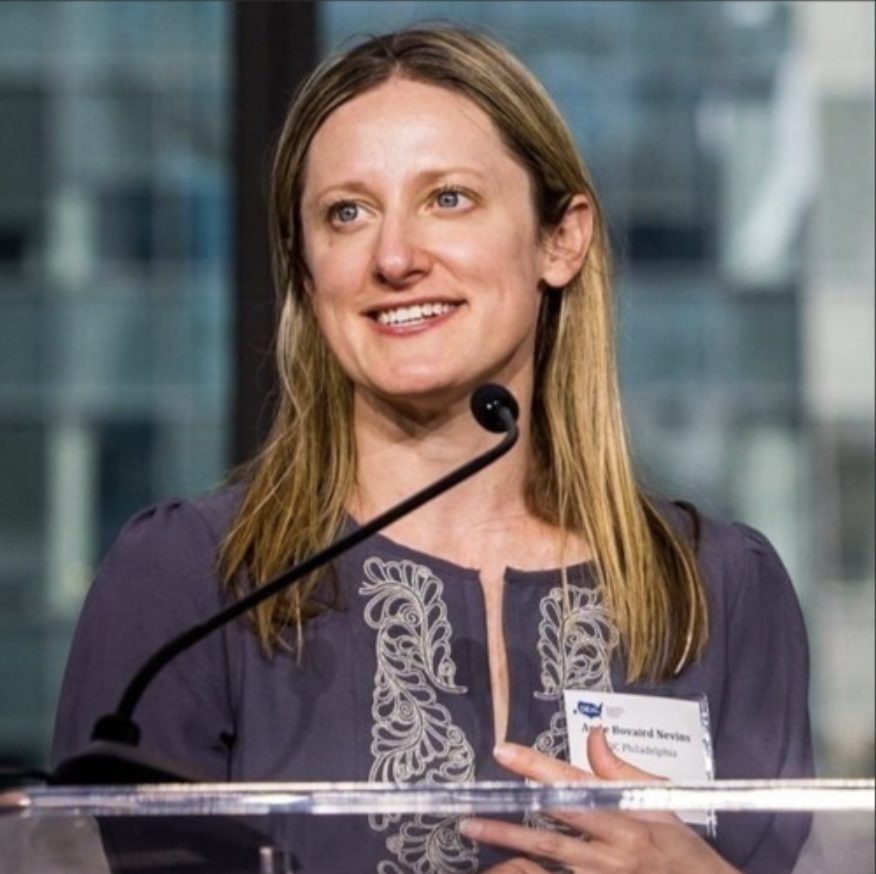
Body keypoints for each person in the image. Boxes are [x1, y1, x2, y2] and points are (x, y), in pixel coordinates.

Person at [52, 24, 814, 874]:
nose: (395, 256)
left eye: (448, 198)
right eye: (348, 213)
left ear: (560, 239)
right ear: (307, 272)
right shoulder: (191, 584)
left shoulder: (723, 589)